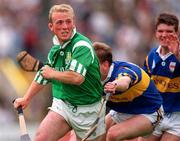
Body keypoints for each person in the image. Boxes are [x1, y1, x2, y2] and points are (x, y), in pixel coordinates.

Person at [13, 4, 106, 141]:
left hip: (89, 110)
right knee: (40, 138)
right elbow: (43, 75)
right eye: (60, 22)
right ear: (51, 26)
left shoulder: (81, 45)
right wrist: (26, 98)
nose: (65, 26)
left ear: (74, 23)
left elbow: (77, 77)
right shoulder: (55, 50)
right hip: (63, 105)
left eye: (68, 21)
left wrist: (52, 73)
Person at [93, 41, 163, 141]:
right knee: (96, 134)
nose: (88, 68)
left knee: (113, 134)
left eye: (92, 64)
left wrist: (115, 84)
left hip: (150, 111)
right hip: (123, 110)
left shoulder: (124, 70)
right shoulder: (91, 78)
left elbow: (125, 82)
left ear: (105, 65)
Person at [143, 13, 180, 141]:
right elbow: (144, 84)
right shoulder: (152, 55)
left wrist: (177, 55)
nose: (164, 35)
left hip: (177, 117)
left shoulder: (178, 54)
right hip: (156, 114)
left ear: (177, 33)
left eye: (169, 31)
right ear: (155, 33)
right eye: (161, 31)